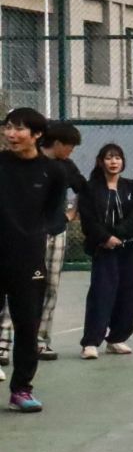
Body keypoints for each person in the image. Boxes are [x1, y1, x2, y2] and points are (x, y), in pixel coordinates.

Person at [0, 109, 70, 412]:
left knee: (27, 327)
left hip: (28, 259)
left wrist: (33, 234)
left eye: (19, 129)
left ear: (37, 134)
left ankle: (21, 390)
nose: (11, 134)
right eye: (7, 128)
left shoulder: (53, 172)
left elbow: (52, 212)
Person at [5, 122, 89, 366]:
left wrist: (71, 214)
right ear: (58, 143)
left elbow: (84, 189)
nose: (72, 151)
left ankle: (40, 340)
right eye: (70, 146)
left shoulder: (66, 166)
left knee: (49, 286)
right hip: (23, 237)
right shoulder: (24, 163)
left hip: (55, 233)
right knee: (14, 287)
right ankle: (3, 342)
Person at [79, 144, 133, 359]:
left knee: (128, 294)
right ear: (101, 161)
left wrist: (119, 236)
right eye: (109, 158)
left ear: (123, 161)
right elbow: (88, 220)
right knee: (101, 293)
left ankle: (117, 338)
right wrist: (105, 238)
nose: (113, 162)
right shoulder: (90, 189)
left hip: (128, 248)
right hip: (103, 249)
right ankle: (91, 342)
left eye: (117, 158)